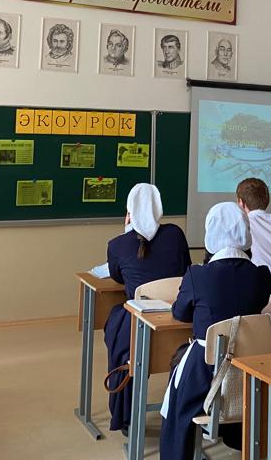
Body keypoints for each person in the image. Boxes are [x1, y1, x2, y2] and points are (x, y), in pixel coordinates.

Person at [159, 202, 271, 460]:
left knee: (178, 391)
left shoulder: (198, 276)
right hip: (250, 373)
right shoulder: (261, 276)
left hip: (205, 373)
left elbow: (180, 313)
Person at [104, 184, 191, 434]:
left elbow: (117, 277)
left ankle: (126, 415)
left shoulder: (117, 244)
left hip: (140, 325)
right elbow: (185, 268)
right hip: (177, 320)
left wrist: (127, 231)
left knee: (116, 319)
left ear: (129, 211)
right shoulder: (175, 234)